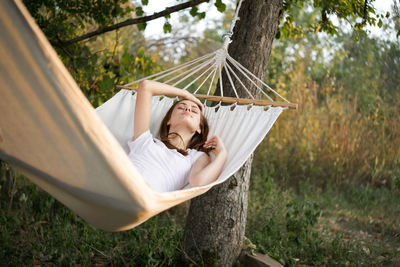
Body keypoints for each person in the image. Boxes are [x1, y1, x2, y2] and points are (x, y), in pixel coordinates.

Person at [127, 80, 227, 193]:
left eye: (194, 111)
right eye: (181, 107)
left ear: (199, 128)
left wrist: (222, 154)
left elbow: (199, 182)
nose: (188, 109)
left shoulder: (194, 157)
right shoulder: (144, 140)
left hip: (142, 196)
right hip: (117, 181)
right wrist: (185, 94)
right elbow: (145, 86)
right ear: (168, 121)